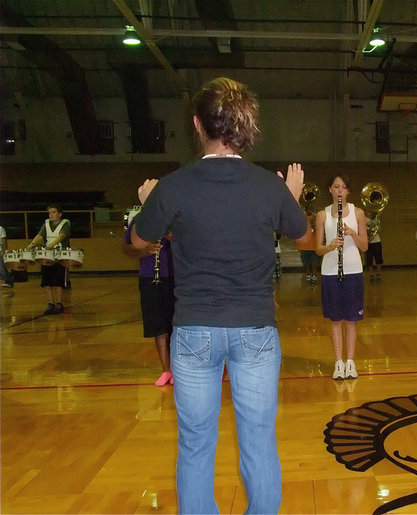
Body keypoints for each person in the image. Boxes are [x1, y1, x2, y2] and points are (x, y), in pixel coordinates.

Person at [130, 77, 310, 513]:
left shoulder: (173, 186)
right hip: (255, 331)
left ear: (197, 124)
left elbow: (138, 241)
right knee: (259, 441)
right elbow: (304, 238)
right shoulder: (269, 186)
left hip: (193, 333)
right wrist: (292, 196)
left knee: (194, 444)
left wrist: (148, 202)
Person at [315, 175, 368, 380]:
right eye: (336, 187)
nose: (339, 191)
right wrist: (330, 246)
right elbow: (317, 248)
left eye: (344, 187)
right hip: (330, 271)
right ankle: (338, 362)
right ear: (330, 189)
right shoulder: (323, 214)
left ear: (348, 191)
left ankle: (351, 362)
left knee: (352, 320)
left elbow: (364, 246)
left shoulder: (359, 213)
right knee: (336, 320)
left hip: (354, 271)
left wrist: (353, 233)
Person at [123, 218, 174, 386]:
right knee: (158, 325)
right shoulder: (140, 220)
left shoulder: (176, 216)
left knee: (179, 325)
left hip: (178, 275)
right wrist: (144, 251)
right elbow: (127, 248)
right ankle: (166, 370)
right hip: (150, 277)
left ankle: (180, 369)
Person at [26, 204, 70, 315]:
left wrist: (51, 245)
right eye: (50, 212)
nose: (51, 214)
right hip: (47, 256)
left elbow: (62, 236)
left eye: (54, 212)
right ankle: (51, 303)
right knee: (46, 280)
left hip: (60, 256)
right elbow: (40, 236)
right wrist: (31, 245)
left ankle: (59, 304)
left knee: (58, 281)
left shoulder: (65, 223)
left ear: (60, 214)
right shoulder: (46, 224)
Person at [298, 207, 321, 285]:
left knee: (315, 262)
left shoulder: (317, 217)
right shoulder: (301, 217)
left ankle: (314, 276)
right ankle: (308, 275)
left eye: (311, 209)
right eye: (308, 208)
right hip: (304, 245)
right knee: (306, 262)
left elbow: (318, 227)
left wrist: (314, 219)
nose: (309, 210)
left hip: (315, 245)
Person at [364, 210, 384, 282]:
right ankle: (371, 274)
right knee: (369, 259)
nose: (369, 213)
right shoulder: (364, 221)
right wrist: (371, 230)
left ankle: (378, 273)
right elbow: (366, 232)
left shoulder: (375, 220)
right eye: (367, 212)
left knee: (378, 258)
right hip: (368, 242)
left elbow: (380, 230)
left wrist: (376, 229)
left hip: (377, 241)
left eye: (369, 212)